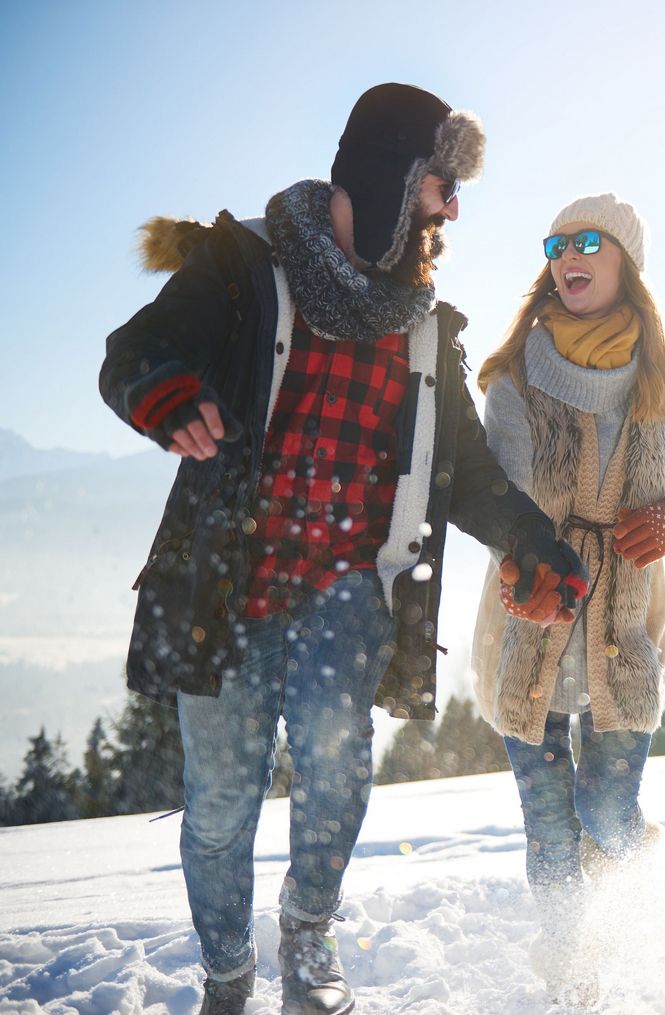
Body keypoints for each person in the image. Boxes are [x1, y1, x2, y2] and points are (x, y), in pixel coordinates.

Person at [99, 83, 585, 1015]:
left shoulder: (424, 325)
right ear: (389, 173)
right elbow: (135, 349)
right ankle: (228, 969)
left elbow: (470, 468)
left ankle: (310, 933)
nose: (451, 208)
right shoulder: (240, 266)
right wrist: (161, 390)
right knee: (221, 806)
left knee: (336, 763)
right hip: (229, 584)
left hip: (346, 586)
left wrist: (536, 542)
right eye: (442, 183)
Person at [470, 194, 665, 1007]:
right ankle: (569, 982)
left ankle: (631, 874)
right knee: (550, 829)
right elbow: (492, 501)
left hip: (625, 635)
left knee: (607, 815)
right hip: (531, 629)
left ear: (626, 262)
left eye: (587, 241)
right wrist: (520, 566)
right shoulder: (514, 379)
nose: (566, 255)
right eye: (555, 243)